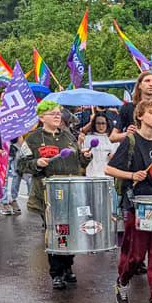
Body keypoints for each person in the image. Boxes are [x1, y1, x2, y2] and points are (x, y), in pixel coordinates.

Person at [17, 100, 92, 289]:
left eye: (59, 113)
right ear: (42, 117)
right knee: (55, 232)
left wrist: (86, 157)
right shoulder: (32, 139)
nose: (58, 116)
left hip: (71, 192)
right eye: (53, 113)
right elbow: (21, 165)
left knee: (70, 230)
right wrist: (36, 163)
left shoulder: (68, 136)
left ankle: (68, 266)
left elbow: (80, 162)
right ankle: (57, 272)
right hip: (47, 194)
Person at [106, 101, 152, 303]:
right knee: (135, 255)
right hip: (137, 204)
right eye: (151, 113)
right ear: (140, 116)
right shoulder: (131, 140)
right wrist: (132, 175)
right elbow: (109, 169)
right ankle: (123, 281)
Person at [112, 71, 152, 142]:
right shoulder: (127, 108)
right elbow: (112, 137)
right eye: (147, 81)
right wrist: (127, 134)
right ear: (139, 85)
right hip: (134, 147)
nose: (151, 84)